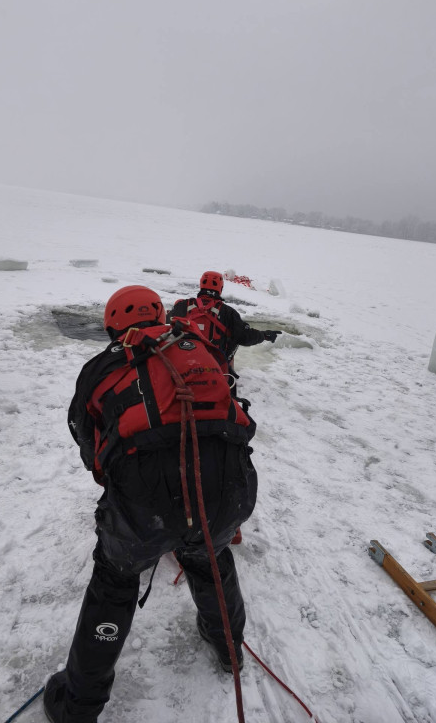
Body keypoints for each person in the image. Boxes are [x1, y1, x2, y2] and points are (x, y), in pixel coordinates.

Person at [44, 285, 258, 723]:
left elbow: (85, 435)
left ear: (113, 325)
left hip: (148, 498)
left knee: (115, 581)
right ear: (161, 314)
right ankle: (229, 649)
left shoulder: (102, 366)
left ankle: (78, 706)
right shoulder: (196, 348)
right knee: (209, 557)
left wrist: (112, 477)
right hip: (230, 486)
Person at [166, 270, 281, 384]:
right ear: (220, 289)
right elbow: (245, 337)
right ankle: (227, 374)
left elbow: (164, 324)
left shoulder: (181, 306)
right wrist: (264, 335)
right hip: (213, 368)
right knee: (234, 337)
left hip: (181, 366)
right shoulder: (228, 312)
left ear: (201, 285)